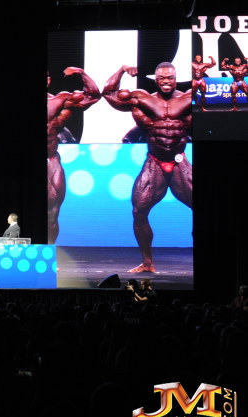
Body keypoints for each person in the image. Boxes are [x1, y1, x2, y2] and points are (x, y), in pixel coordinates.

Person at [103, 62, 192, 273]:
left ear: (175, 78)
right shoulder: (143, 99)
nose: (166, 81)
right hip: (155, 162)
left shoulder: (189, 98)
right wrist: (122, 70)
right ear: (156, 80)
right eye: (162, 78)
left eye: (170, 77)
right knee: (139, 212)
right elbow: (108, 94)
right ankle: (147, 262)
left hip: (179, 160)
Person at [47, 67, 100, 244]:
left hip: (51, 158)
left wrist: (81, 73)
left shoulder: (60, 101)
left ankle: (49, 251)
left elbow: (93, 96)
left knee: (53, 211)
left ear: (48, 81)